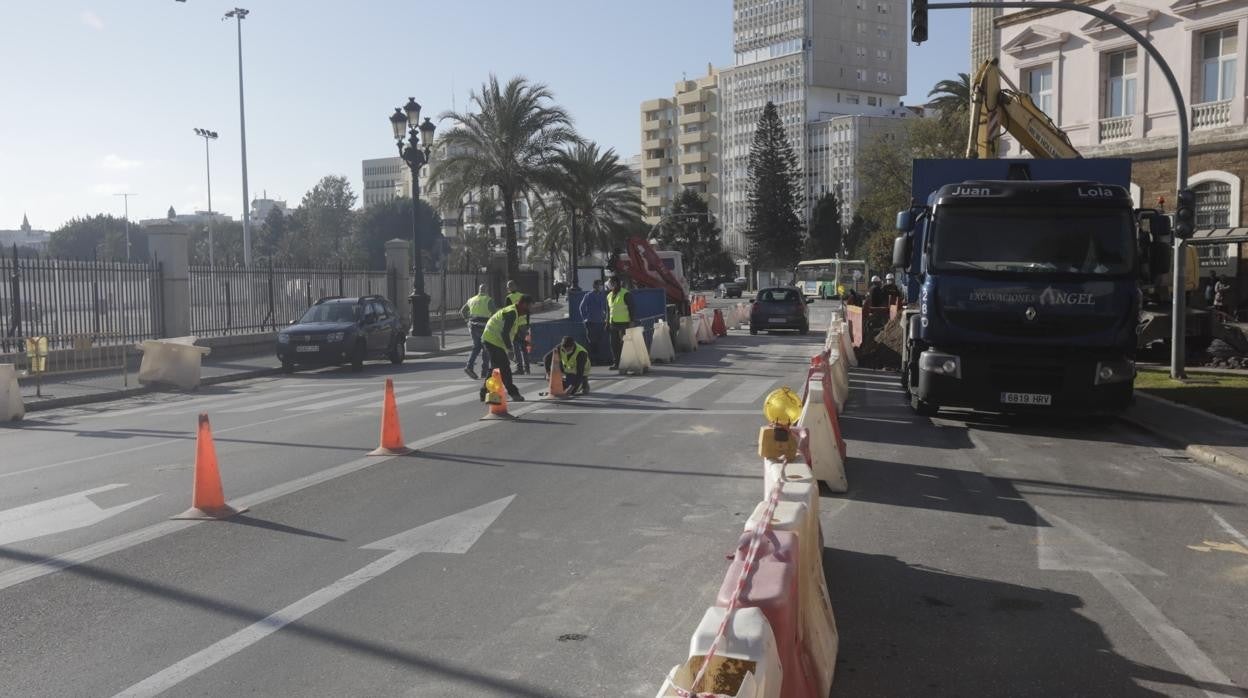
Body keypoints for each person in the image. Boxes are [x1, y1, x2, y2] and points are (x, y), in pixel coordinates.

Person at [479, 295, 531, 402]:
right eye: (528, 306)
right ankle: (513, 393)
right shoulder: (511, 313)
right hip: (492, 340)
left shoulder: (514, 313)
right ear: (523, 304)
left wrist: (523, 343)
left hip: (492, 340)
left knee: (495, 368)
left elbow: (512, 334)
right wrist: (510, 350)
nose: (528, 310)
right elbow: (504, 333)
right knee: (505, 367)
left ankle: (484, 393)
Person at [460, 284, 495, 380]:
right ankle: (484, 372)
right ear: (486, 290)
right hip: (484, 327)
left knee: (476, 347)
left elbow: (462, 311)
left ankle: (469, 366)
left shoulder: (472, 299)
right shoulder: (488, 300)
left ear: (479, 290)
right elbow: (494, 314)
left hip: (473, 326)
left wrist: (467, 321)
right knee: (486, 348)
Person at [606, 276, 637, 370]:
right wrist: (607, 322)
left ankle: (627, 363)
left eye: (610, 282)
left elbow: (632, 308)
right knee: (614, 345)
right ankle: (617, 363)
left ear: (615, 283)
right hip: (613, 324)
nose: (609, 284)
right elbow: (608, 310)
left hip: (624, 324)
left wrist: (632, 321)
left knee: (625, 345)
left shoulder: (626, 294)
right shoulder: (609, 295)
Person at [504, 280, 531, 374]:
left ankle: (520, 368)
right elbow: (528, 311)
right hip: (523, 324)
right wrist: (528, 324)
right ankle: (527, 368)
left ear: (510, 288)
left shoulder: (509, 298)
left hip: (515, 325)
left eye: (508, 287)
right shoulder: (522, 296)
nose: (507, 289)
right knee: (523, 347)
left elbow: (507, 313)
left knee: (516, 347)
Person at [579, 278, 608, 362]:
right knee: (592, 341)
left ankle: (598, 358)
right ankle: (591, 359)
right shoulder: (588, 295)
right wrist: (585, 318)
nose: (601, 286)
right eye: (599, 285)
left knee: (599, 341)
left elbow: (605, 308)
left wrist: (605, 317)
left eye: (601, 285)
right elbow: (581, 307)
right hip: (591, 322)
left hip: (601, 322)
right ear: (595, 286)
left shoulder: (602, 295)